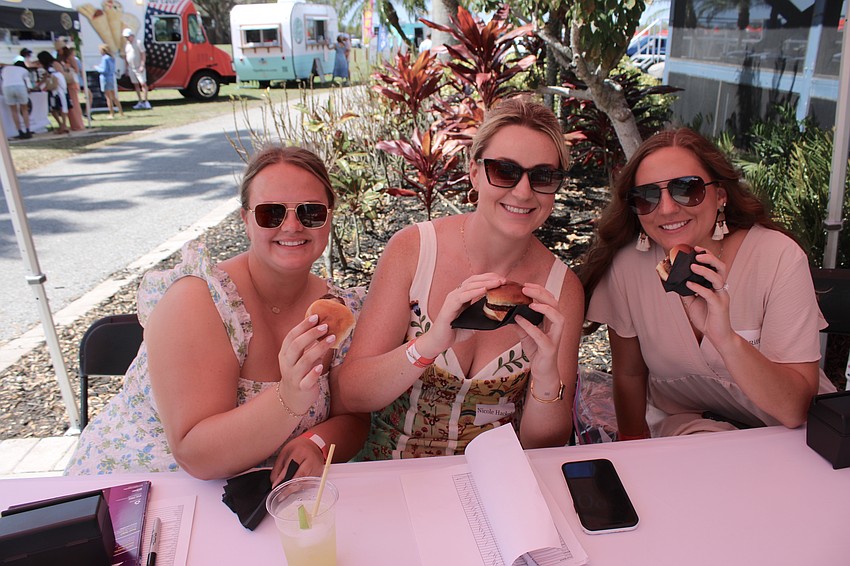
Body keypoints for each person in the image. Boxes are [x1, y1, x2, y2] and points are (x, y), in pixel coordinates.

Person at [66, 146, 369, 481]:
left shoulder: (339, 310)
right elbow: (196, 455)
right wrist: (289, 397)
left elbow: (354, 419)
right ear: (246, 220)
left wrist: (315, 442)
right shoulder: (202, 299)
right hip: (143, 489)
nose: (292, 225)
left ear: (329, 216)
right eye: (271, 213)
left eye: (311, 211)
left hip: (261, 498)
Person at [338, 97, 584, 459]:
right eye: (504, 170)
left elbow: (542, 445)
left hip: (492, 481)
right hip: (388, 474)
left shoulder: (562, 290)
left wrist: (547, 378)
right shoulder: (413, 250)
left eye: (543, 176)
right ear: (475, 173)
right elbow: (352, 393)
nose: (523, 191)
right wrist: (428, 345)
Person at [580, 128, 836, 439]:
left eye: (686, 189)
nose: (667, 208)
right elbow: (629, 374)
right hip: (691, 437)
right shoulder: (628, 267)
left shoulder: (777, 257)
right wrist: (632, 456)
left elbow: (794, 410)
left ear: (720, 196)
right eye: (646, 196)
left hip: (788, 440)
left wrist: (727, 340)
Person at [35, 51, 69, 135]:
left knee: (62, 106)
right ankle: (61, 124)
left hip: (59, 88)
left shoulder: (55, 63)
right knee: (53, 108)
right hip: (52, 89)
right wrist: (38, 86)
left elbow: (60, 74)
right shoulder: (46, 66)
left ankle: (64, 125)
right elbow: (45, 77)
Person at [1, 61, 33, 139]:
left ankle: (19, 131)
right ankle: (27, 130)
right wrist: (29, 89)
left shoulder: (6, 69)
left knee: (13, 111)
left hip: (6, 87)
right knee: (24, 109)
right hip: (20, 86)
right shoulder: (24, 70)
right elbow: (28, 83)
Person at [122, 28, 150, 109]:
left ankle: (146, 101)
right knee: (135, 84)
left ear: (132, 35)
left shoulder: (138, 43)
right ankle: (140, 101)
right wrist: (126, 68)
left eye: (128, 37)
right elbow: (126, 57)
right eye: (126, 37)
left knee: (143, 83)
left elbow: (143, 54)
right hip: (131, 68)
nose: (127, 38)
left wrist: (142, 65)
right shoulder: (127, 45)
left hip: (138, 67)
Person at [58, 46, 85, 131]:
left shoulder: (71, 58)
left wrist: (66, 68)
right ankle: (74, 124)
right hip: (67, 83)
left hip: (72, 82)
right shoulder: (62, 58)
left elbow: (76, 70)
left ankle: (78, 124)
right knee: (70, 104)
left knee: (74, 103)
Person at [94, 44, 123, 119]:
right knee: (114, 96)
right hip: (111, 77)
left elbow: (104, 70)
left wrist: (97, 68)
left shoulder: (104, 58)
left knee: (108, 97)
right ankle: (121, 112)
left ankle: (111, 113)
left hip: (105, 78)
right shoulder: (111, 58)